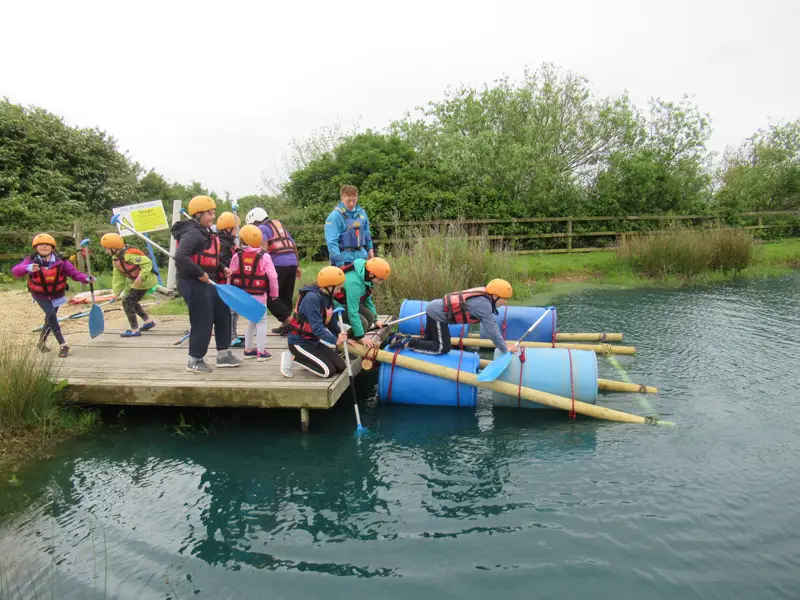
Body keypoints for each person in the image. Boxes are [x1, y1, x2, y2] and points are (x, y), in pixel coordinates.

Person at [171, 195, 242, 373]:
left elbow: (207, 257)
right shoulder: (192, 234)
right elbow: (181, 256)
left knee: (223, 312)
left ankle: (223, 354)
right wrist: (200, 273)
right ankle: (194, 360)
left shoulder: (206, 232)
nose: (212, 217)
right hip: (191, 281)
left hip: (207, 280)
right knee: (203, 318)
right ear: (198, 214)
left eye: (213, 213)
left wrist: (222, 267)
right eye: (209, 213)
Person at [12, 233, 93, 358]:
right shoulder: (31, 260)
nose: (44, 247)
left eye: (47, 245)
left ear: (52, 247)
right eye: (40, 245)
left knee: (50, 319)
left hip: (57, 295)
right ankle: (63, 345)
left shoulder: (61, 261)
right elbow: (16, 271)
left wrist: (86, 278)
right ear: (35, 247)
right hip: (40, 295)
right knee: (51, 315)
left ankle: (41, 342)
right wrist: (27, 267)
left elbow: (74, 274)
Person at [390, 279, 520, 356]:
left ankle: (399, 338)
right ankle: (406, 343)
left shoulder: (485, 298)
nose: (505, 302)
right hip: (437, 315)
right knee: (442, 348)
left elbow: (492, 326)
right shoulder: (484, 305)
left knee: (430, 341)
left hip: (435, 311)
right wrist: (504, 348)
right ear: (495, 296)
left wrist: (503, 344)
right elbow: (491, 329)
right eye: (504, 299)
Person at [280, 266, 355, 378]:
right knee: (328, 372)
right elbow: (317, 328)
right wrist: (335, 340)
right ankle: (293, 356)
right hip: (299, 342)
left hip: (314, 341)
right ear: (329, 286)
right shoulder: (312, 298)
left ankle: (308, 357)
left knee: (340, 366)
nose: (339, 292)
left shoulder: (328, 297)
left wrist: (344, 338)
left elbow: (332, 325)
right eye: (338, 288)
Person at [244, 207, 300, 335]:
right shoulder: (279, 227)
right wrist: (297, 266)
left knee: (269, 296)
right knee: (285, 296)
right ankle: (286, 326)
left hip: (278, 265)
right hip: (292, 263)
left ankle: (289, 321)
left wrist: (258, 266)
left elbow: (263, 248)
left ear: (255, 221)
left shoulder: (262, 228)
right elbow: (294, 245)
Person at [228, 224, 278, 362]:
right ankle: (261, 352)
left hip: (242, 295)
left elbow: (230, 275)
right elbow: (273, 277)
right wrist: (274, 293)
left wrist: (231, 294)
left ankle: (248, 349)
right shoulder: (264, 256)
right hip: (259, 295)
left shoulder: (237, 255)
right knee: (261, 321)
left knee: (251, 320)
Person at [100, 232, 156, 337]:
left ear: (114, 248)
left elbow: (147, 262)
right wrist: (116, 293)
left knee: (127, 302)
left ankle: (135, 330)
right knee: (131, 301)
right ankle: (148, 321)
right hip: (136, 283)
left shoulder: (129, 255)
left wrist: (141, 276)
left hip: (145, 281)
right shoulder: (116, 259)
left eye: (107, 248)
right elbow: (118, 277)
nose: (106, 251)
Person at [333, 257, 390, 350]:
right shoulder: (355, 284)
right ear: (371, 274)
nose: (381, 282)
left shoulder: (366, 274)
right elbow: (352, 312)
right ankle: (343, 347)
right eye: (380, 279)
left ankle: (351, 340)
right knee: (363, 322)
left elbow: (367, 298)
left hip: (348, 301)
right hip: (336, 306)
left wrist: (376, 320)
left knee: (370, 317)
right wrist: (361, 337)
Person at [324, 185, 374, 268]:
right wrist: (340, 263)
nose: (351, 204)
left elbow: (366, 233)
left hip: (362, 258)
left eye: (354, 200)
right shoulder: (334, 216)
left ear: (357, 197)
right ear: (342, 198)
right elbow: (332, 242)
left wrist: (370, 249)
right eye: (348, 201)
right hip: (344, 261)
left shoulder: (361, 213)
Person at [216, 211, 242, 347]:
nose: (237, 231)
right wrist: (238, 254)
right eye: (235, 228)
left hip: (230, 283)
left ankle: (233, 335)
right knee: (230, 311)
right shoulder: (223, 244)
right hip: (224, 283)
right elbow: (225, 262)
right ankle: (231, 337)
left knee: (234, 310)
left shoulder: (229, 243)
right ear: (228, 229)